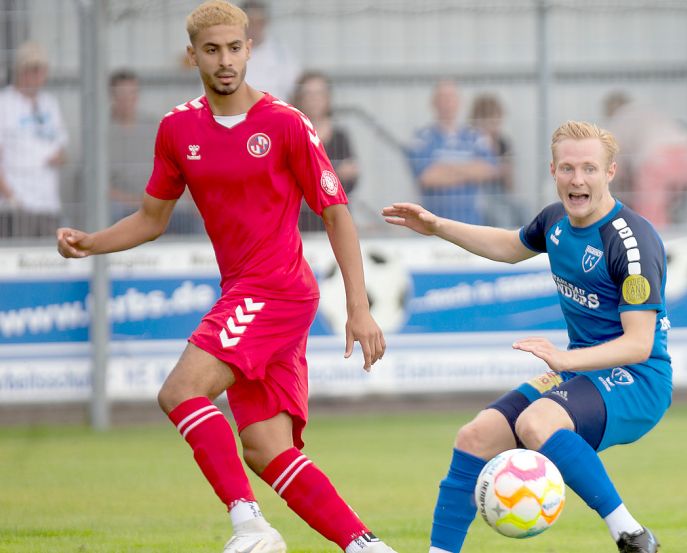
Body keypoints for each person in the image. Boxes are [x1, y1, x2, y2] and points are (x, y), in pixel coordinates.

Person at [56, 2, 395, 552]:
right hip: (246, 292)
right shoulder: (177, 128)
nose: (225, 60)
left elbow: (336, 213)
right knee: (266, 450)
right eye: (211, 50)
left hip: (278, 289)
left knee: (179, 392)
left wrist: (358, 306)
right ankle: (366, 546)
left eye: (234, 48)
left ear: (248, 50)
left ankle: (249, 526)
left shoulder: (285, 123)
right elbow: (151, 218)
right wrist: (91, 242)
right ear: (193, 54)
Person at [383, 120, 672, 553]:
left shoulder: (630, 242)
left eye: (590, 169)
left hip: (638, 379)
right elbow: (509, 246)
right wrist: (437, 225)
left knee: (537, 421)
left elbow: (638, 344)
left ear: (610, 173)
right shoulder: (555, 220)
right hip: (583, 372)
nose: (578, 180)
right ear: (552, 169)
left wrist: (565, 360)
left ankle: (630, 535)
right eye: (568, 168)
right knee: (475, 437)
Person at [108, 69, 202, 234]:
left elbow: (179, 167)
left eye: (132, 93)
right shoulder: (101, 133)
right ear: (112, 96)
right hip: (125, 207)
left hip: (161, 204)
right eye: (122, 94)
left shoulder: (154, 126)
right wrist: (136, 202)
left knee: (197, 220)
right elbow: (98, 187)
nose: (128, 99)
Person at [406, 79, 499, 225]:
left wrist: (444, 168)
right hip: (433, 224)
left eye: (451, 98)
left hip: (470, 223)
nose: (447, 103)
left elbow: (488, 170)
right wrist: (469, 169)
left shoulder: (475, 136)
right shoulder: (422, 138)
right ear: (433, 103)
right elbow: (427, 177)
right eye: (443, 98)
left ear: (459, 102)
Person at [0, 41, 68, 238]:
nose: (38, 76)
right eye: (32, 69)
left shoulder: (50, 103)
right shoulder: (5, 103)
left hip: (48, 203)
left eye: (41, 70)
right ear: (20, 71)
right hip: (15, 205)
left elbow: (62, 145)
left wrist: (59, 157)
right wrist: (10, 196)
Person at [604, 93, 687, 228]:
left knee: (650, 211)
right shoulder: (649, 111)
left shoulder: (620, 118)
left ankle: (652, 243)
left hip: (657, 159)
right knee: (669, 207)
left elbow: (615, 156)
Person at [292, 71, 360, 232]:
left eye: (320, 93)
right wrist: (333, 177)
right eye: (308, 94)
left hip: (336, 221)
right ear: (299, 98)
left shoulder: (340, 136)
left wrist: (311, 184)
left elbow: (351, 180)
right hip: (301, 224)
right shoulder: (292, 134)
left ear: (328, 97)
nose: (315, 99)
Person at [468, 93, 526, 228]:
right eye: (489, 121)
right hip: (480, 196)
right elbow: (476, 175)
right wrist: (495, 169)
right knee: (501, 217)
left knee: (523, 208)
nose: (494, 125)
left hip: (501, 193)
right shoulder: (471, 142)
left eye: (497, 120)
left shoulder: (503, 142)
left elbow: (510, 181)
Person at [241, 0, 300, 101]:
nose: (254, 27)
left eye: (259, 22)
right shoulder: (231, 53)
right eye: (250, 22)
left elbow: (294, 89)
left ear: (265, 23)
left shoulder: (280, 53)